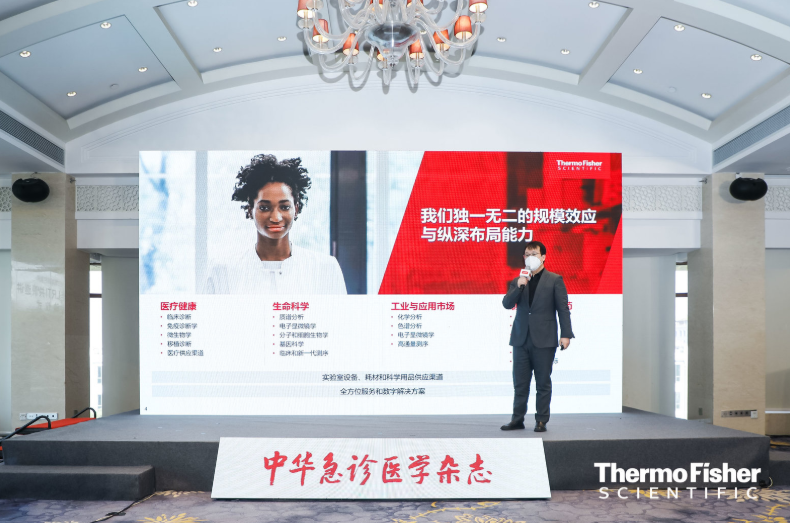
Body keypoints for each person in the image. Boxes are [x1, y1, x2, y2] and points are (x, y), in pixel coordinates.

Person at [204, 154, 347, 295]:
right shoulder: (222, 270)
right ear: (250, 210)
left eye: (284, 207)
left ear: (296, 209)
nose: (276, 217)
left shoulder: (325, 268)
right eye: (264, 208)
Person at [500, 241, 573, 432]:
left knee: (543, 383)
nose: (530, 257)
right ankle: (517, 419)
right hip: (521, 339)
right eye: (527, 254)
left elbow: (563, 309)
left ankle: (541, 420)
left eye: (534, 254)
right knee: (520, 383)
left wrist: (566, 334)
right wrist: (519, 286)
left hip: (544, 339)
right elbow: (507, 304)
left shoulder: (555, 279)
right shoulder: (518, 280)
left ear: (543, 257)